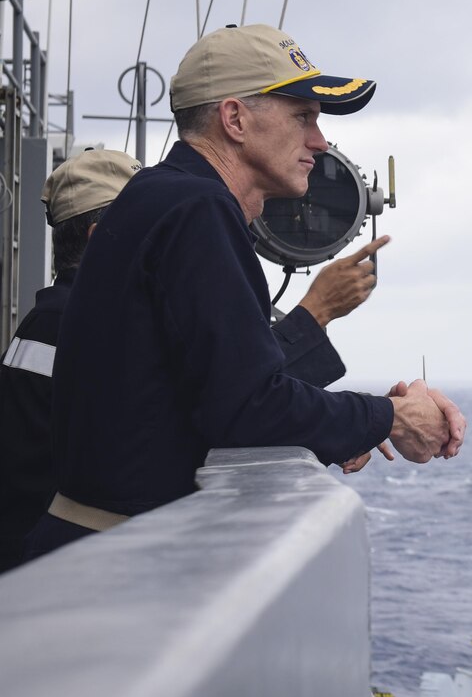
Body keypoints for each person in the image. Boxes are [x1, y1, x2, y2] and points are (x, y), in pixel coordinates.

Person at [22, 23, 464, 563]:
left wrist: (358, 422)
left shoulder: (160, 196)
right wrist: (392, 417)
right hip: (119, 562)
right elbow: (247, 408)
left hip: (90, 551)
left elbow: (204, 394)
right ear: (234, 119)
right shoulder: (197, 211)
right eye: (303, 116)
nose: (320, 143)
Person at [0, 152, 398, 571]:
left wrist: (348, 426)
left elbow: (207, 394)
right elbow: (227, 409)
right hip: (58, 569)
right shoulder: (75, 326)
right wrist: (315, 317)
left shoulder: (54, 318)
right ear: (103, 237)